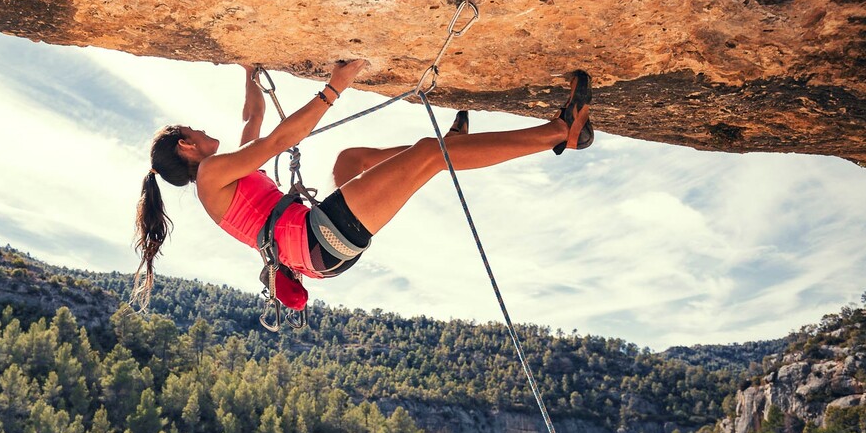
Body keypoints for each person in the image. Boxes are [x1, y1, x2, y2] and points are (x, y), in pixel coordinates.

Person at [133, 59, 593, 308]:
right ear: (185, 148)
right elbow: (276, 138)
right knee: (431, 159)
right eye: (190, 131)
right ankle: (558, 133)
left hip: (318, 246)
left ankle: (440, 147)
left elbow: (253, 118)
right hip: (319, 238)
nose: (198, 129)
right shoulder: (213, 174)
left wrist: (249, 72)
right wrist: (334, 87)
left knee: (349, 161)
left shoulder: (220, 174)